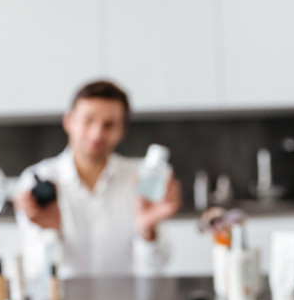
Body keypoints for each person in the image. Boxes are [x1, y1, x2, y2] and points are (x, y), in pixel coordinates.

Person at [13, 80, 182, 278]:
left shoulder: (141, 178)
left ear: (123, 130)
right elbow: (37, 273)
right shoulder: (37, 180)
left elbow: (157, 268)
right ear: (69, 121)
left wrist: (146, 230)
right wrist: (52, 232)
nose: (97, 133)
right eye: (88, 120)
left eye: (109, 125)